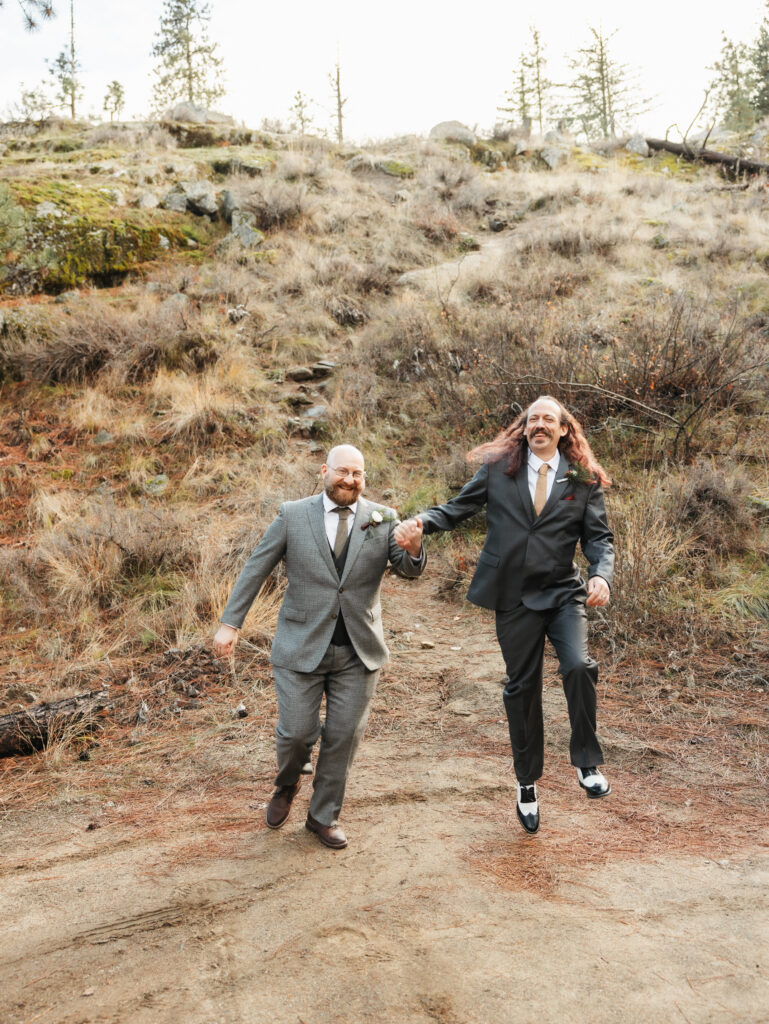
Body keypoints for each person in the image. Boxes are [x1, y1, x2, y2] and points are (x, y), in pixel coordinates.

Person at [396, 396, 614, 835]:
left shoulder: (582, 478)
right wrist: (419, 523)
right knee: (522, 687)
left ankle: (586, 762)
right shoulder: (500, 469)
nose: (539, 426)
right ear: (524, 427)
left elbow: (599, 539)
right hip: (512, 596)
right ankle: (527, 782)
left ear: (564, 430)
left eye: (548, 420)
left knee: (577, 666)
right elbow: (457, 509)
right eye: (532, 419)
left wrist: (601, 576)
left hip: (561, 592)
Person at [213, 445, 425, 850]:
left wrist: (413, 548)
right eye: (343, 471)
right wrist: (230, 624)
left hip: (358, 652)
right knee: (297, 734)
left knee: (343, 737)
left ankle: (322, 816)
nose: (350, 480)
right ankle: (288, 783)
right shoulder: (293, 515)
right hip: (300, 646)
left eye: (358, 474)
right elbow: (256, 566)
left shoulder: (383, 519)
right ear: (324, 471)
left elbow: (407, 569)